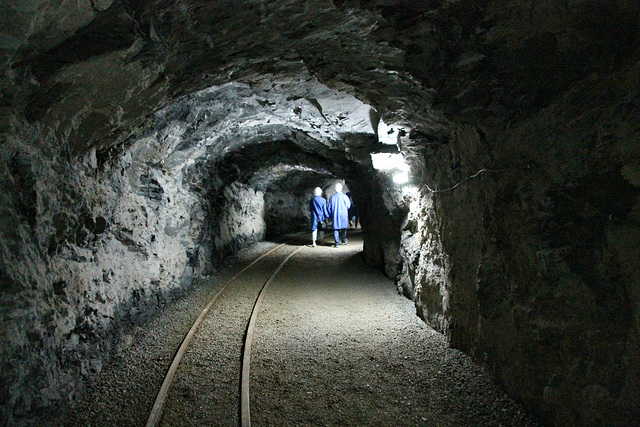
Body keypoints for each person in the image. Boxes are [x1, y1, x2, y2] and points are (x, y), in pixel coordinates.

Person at [328, 182, 351, 247]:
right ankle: (343, 240)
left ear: (335, 189)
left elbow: (329, 208)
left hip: (335, 215)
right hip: (343, 214)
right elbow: (348, 206)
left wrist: (329, 216)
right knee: (343, 228)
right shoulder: (345, 197)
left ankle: (337, 243)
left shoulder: (332, 198)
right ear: (341, 189)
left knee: (336, 229)